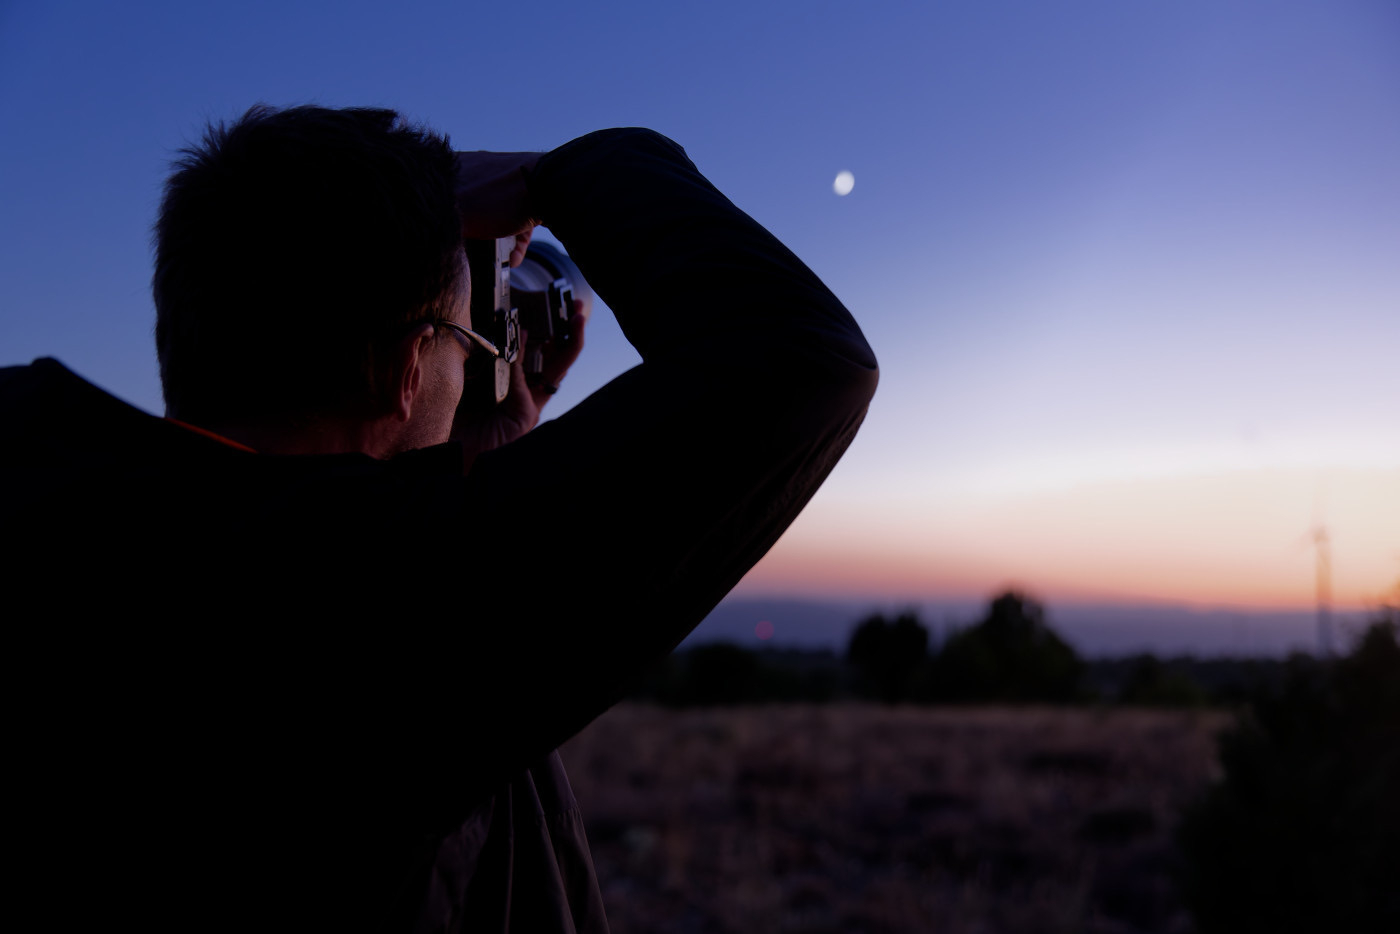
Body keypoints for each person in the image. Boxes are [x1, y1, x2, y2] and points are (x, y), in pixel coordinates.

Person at [2, 105, 877, 932]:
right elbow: (797, 359)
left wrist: (477, 467)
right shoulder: (367, 607)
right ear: (409, 367)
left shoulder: (60, 496)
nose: (477, 366)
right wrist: (562, 173)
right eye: (468, 341)